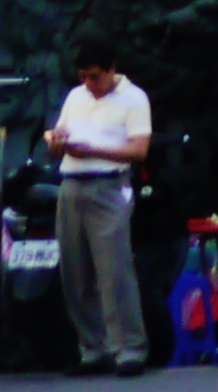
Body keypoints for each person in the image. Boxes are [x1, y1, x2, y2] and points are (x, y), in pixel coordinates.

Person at [46, 42, 153, 375]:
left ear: (111, 70)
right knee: (74, 273)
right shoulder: (76, 97)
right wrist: (57, 141)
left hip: (108, 186)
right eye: (83, 77)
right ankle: (93, 348)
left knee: (114, 272)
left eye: (94, 77)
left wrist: (92, 150)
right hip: (71, 184)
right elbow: (58, 134)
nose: (88, 84)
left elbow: (139, 150)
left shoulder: (134, 98)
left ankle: (130, 349)